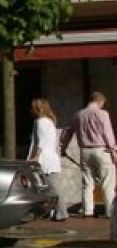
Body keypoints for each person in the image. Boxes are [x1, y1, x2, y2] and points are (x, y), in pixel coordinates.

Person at [60, 91, 117, 220]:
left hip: (84, 150)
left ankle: (88, 211)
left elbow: (67, 132)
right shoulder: (102, 114)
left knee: (87, 182)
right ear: (100, 101)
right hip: (102, 150)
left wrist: (63, 148)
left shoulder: (78, 115)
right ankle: (110, 212)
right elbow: (108, 133)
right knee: (107, 182)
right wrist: (113, 150)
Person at [27, 97, 66, 221]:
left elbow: (41, 142)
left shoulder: (41, 122)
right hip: (51, 157)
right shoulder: (49, 121)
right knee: (50, 187)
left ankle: (61, 212)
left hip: (45, 159)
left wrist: (36, 157)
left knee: (51, 187)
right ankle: (53, 212)